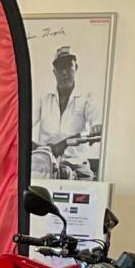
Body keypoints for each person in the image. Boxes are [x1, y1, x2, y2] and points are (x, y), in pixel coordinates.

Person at [32, 46, 102, 178]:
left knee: (87, 183)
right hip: (45, 164)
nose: (64, 72)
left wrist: (95, 128)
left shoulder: (87, 97)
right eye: (60, 68)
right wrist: (39, 148)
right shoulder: (43, 98)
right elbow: (21, 127)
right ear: (54, 72)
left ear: (76, 67)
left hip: (76, 164)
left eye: (68, 66)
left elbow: (98, 123)